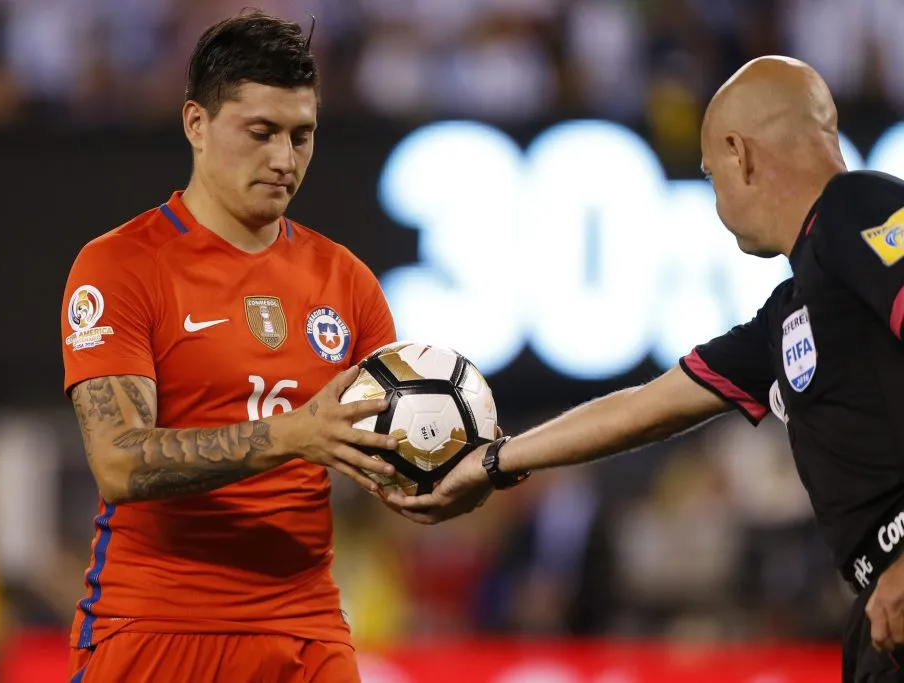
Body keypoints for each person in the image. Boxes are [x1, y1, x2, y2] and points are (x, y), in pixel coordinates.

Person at [388, 55, 904, 682]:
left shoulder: (860, 206)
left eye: (711, 177)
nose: (717, 204)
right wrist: (494, 462)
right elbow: (647, 408)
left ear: (739, 154)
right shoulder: (792, 309)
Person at [61, 11, 400, 683]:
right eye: (262, 132)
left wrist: (452, 468)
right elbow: (118, 462)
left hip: (305, 626)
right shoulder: (119, 267)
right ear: (196, 123)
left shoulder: (347, 281)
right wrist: (292, 434)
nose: (285, 158)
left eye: (303, 136)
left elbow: (384, 455)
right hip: (157, 623)